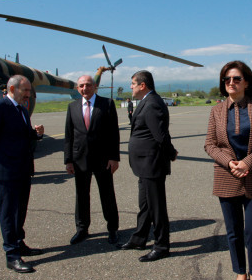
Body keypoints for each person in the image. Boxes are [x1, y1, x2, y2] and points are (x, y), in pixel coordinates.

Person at [204, 61, 252, 280]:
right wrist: (229, 162)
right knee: (233, 231)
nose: (231, 83)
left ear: (246, 81)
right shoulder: (216, 110)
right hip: (227, 176)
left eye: (236, 79)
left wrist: (248, 162)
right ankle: (240, 273)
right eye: (227, 79)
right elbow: (209, 144)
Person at [0, 75, 44, 273]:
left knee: (20, 210)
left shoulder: (21, 109)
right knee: (8, 213)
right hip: (6, 170)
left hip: (23, 169)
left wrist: (36, 134)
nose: (28, 94)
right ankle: (12, 255)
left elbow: (20, 135)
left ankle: (19, 242)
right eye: (25, 90)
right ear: (12, 89)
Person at [119, 70, 178, 262]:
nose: (131, 87)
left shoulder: (152, 104)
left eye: (133, 84)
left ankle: (161, 245)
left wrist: (171, 153)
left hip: (151, 164)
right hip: (144, 164)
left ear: (142, 85)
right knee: (145, 205)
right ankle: (139, 238)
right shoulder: (147, 101)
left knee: (157, 207)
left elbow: (160, 136)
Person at [64, 75, 120, 245]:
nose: (84, 88)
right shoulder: (72, 107)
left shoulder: (107, 104)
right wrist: (68, 160)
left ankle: (112, 229)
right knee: (81, 195)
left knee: (107, 195)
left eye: (88, 85)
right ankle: (82, 229)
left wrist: (114, 158)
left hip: (103, 159)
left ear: (95, 86)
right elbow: (69, 136)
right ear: (77, 88)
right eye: (81, 86)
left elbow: (113, 133)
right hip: (79, 160)